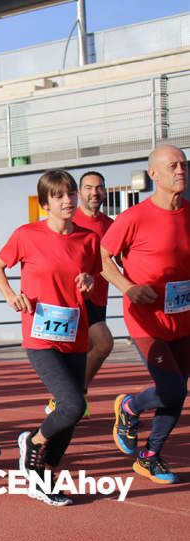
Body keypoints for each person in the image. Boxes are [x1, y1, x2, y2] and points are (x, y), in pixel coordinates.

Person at [0, 170, 99, 506]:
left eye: (70, 194)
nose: (67, 201)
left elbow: (92, 272)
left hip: (75, 333)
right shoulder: (27, 235)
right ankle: (34, 443)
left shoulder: (88, 238)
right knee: (73, 404)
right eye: (58, 196)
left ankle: (44, 474)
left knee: (74, 411)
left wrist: (89, 280)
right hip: (40, 334)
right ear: (45, 203)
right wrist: (10, 294)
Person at [105, 145, 190, 485]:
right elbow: (103, 258)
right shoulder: (134, 217)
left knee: (177, 390)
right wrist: (128, 287)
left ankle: (149, 456)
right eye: (172, 165)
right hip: (146, 320)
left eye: (183, 164)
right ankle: (129, 407)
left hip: (183, 316)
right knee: (171, 388)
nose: (180, 170)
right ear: (154, 174)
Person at [44, 171, 114, 417]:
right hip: (76, 299)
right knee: (104, 343)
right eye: (88, 188)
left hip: (99, 297)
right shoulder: (70, 219)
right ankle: (73, 395)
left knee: (87, 351)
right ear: (79, 192)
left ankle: (67, 397)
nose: (94, 192)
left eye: (99, 187)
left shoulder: (110, 225)